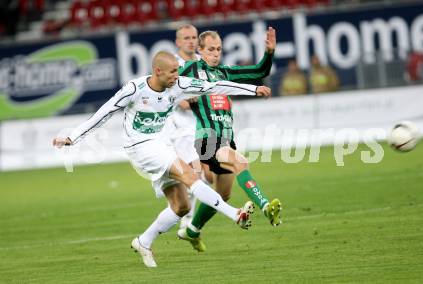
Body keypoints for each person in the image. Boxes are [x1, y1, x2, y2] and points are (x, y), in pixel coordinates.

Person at [52, 51, 272, 268]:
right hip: (139, 147)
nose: (177, 76)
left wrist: (253, 89)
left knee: (181, 206)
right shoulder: (134, 90)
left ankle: (143, 242)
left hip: (161, 143)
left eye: (177, 71)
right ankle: (235, 214)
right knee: (189, 175)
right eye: (172, 72)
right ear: (157, 71)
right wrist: (72, 137)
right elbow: (104, 111)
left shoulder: (178, 85)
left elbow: (214, 86)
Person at [177, 28, 282, 252]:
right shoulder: (190, 69)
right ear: (200, 51)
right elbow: (169, 82)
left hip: (226, 139)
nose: (216, 54)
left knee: (223, 194)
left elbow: (259, 71)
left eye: (219, 49)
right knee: (241, 162)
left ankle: (192, 230)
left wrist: (269, 52)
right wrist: (183, 94)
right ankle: (265, 207)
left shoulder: (225, 72)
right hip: (207, 139)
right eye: (211, 50)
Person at [170, 24, 214, 230]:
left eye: (194, 37)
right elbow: (170, 94)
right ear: (178, 42)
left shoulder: (202, 62)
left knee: (211, 176)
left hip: (203, 123)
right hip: (182, 128)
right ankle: (187, 220)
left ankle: (184, 204)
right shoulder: (172, 64)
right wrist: (187, 101)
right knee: (195, 173)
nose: (191, 41)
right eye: (186, 38)